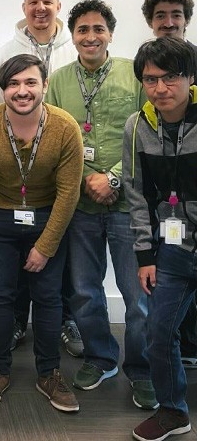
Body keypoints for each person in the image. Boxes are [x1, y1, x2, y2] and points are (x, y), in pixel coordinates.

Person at [45, 0, 155, 409]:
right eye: (82, 29)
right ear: (72, 35)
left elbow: (146, 133)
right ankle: (101, 355)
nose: (90, 36)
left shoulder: (134, 72)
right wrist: (83, 180)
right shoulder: (57, 79)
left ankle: (142, 369)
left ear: (110, 32)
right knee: (85, 292)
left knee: (138, 296)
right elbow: (55, 138)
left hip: (129, 204)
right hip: (80, 206)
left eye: (98, 29)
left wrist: (109, 176)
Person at [0, 54, 83, 413]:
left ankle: (49, 373)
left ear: (44, 85)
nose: (22, 91)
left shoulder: (64, 128)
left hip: (47, 216)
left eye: (30, 82)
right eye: (13, 84)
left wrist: (45, 247)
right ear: (3, 89)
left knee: (47, 297)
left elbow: (68, 193)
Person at [0, 0, 82, 357]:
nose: (40, 8)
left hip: (61, 167)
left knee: (59, 259)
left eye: (47, 1)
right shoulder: (5, 51)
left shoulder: (75, 47)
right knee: (16, 267)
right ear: (24, 7)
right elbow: (1, 109)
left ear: (59, 5)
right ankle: (15, 324)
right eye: (33, 2)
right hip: (14, 179)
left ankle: (62, 322)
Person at [123, 37, 197, 441]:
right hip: (171, 249)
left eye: (171, 77)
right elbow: (136, 194)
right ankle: (173, 412)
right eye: (151, 79)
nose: (161, 88)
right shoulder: (138, 127)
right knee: (158, 333)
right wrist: (144, 255)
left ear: (190, 77)